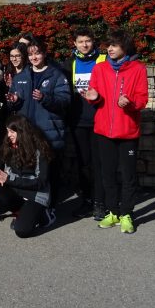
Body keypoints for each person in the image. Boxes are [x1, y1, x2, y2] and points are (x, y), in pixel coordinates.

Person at [83, 29, 148, 234]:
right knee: (107, 175)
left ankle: (127, 214)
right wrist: (93, 97)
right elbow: (95, 95)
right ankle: (113, 211)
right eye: (108, 45)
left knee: (128, 176)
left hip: (127, 131)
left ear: (125, 47)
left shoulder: (138, 69)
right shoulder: (100, 69)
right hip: (103, 131)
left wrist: (129, 103)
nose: (109, 49)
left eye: (114, 45)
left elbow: (142, 98)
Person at [6, 39, 70, 194]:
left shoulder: (57, 75)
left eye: (37, 53)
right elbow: (13, 106)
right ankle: (31, 204)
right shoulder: (21, 76)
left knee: (51, 173)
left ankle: (52, 206)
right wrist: (14, 101)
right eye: (30, 54)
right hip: (27, 133)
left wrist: (45, 99)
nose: (34, 57)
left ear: (44, 53)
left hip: (49, 132)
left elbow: (65, 101)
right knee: (30, 170)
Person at [63, 28, 107, 220]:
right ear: (75, 43)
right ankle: (87, 200)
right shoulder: (69, 63)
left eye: (88, 40)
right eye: (81, 41)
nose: (85, 45)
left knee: (100, 164)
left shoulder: (104, 60)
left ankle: (100, 203)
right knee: (83, 164)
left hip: (100, 120)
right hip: (78, 121)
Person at [0, 114, 56, 238]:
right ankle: (21, 213)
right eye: (7, 131)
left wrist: (10, 179)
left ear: (22, 131)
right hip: (19, 190)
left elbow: (40, 182)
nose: (8, 135)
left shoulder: (39, 149)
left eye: (12, 131)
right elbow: (8, 172)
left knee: (22, 231)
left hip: (36, 195)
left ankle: (45, 215)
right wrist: (3, 178)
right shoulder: (9, 146)